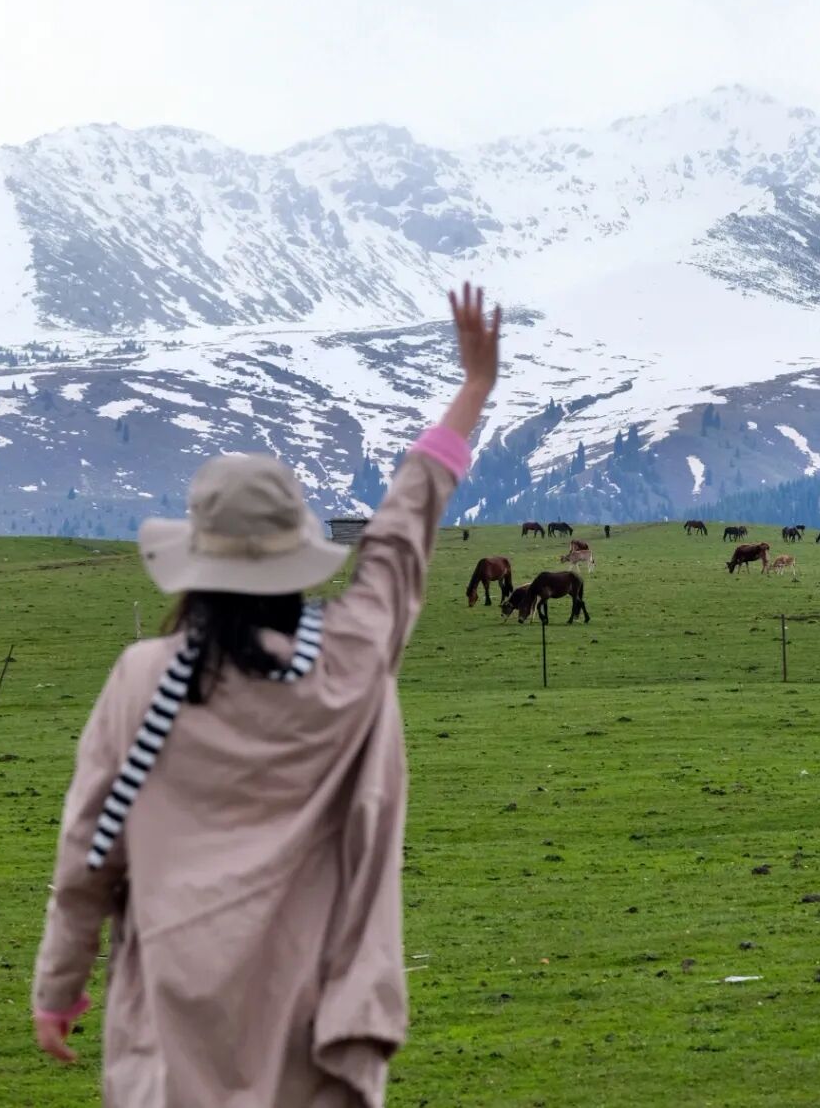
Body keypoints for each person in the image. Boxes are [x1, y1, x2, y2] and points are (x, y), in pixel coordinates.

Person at [32, 284, 501, 1107]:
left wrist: (60, 985)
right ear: (299, 560)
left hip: (174, 1031)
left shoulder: (144, 678)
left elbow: (88, 855)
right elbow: (402, 530)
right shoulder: (352, 659)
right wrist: (473, 390)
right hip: (318, 1021)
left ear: (195, 566)